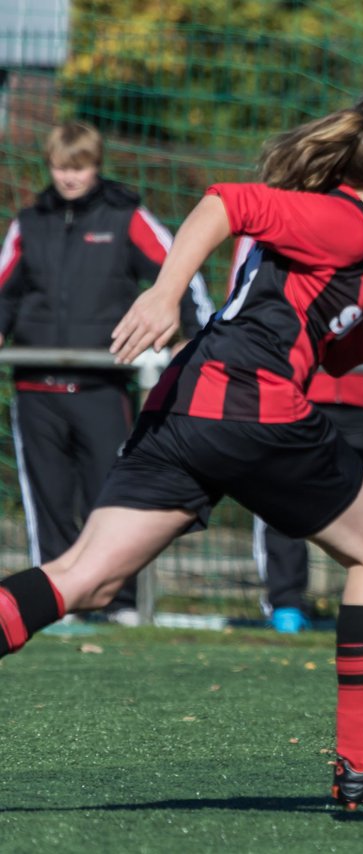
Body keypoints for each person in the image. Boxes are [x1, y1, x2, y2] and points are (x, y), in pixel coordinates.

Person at [0, 91, 363, 809]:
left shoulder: (357, 245)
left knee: (84, 578)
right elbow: (224, 203)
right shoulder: (339, 220)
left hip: (189, 408)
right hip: (252, 410)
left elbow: (340, 355)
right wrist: (165, 294)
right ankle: (361, 762)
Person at [0, 121, 214, 625]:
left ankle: (120, 602)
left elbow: (176, 271)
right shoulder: (28, 223)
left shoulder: (126, 217)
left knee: (111, 495)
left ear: (96, 166)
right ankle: (53, 607)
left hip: (104, 384)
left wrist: (191, 334)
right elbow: (5, 290)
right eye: (60, 167)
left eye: (80, 167)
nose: (70, 177)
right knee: (48, 497)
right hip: (34, 387)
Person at [238, 234, 363, 633]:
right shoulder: (270, 237)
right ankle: (285, 602)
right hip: (292, 392)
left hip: (353, 396)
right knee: (281, 495)